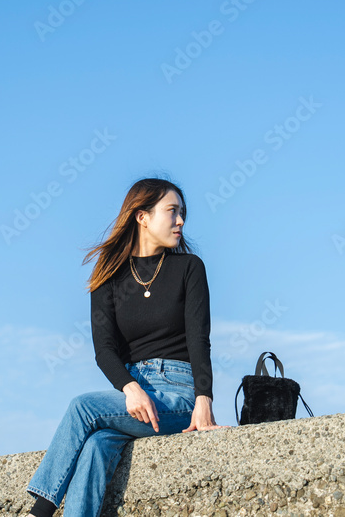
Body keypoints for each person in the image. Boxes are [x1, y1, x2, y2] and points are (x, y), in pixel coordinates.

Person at [25, 177, 230, 517]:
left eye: (182, 213)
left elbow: (199, 339)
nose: (180, 221)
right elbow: (104, 350)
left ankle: (40, 511)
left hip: (178, 396)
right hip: (133, 397)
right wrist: (130, 387)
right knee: (94, 446)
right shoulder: (108, 275)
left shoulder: (189, 268)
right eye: (172, 211)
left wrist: (203, 399)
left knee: (82, 408)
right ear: (142, 216)